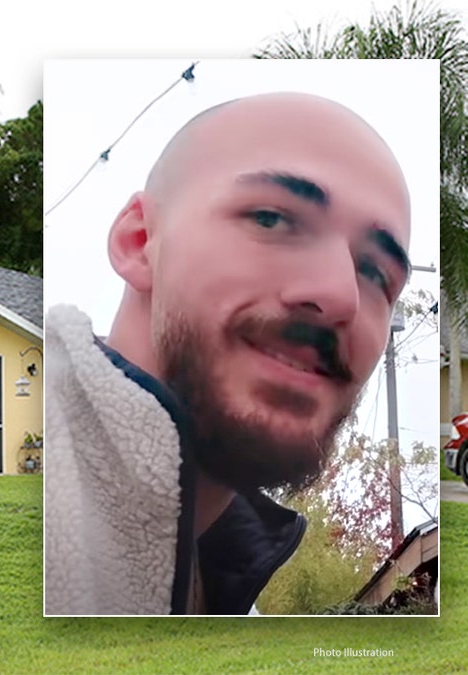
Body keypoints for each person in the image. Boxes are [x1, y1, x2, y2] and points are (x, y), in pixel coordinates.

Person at [44, 92, 412, 615]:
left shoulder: (229, 596)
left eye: (376, 273)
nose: (340, 296)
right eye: (271, 218)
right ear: (139, 240)